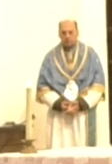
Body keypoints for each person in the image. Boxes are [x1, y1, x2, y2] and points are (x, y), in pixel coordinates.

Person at [35, 21, 105, 149]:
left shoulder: (90, 55)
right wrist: (59, 103)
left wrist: (81, 104)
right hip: (59, 117)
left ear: (77, 33)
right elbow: (42, 88)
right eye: (64, 33)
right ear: (59, 34)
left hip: (83, 115)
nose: (67, 36)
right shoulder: (50, 58)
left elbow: (98, 85)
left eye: (70, 32)